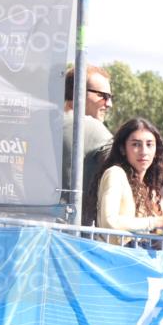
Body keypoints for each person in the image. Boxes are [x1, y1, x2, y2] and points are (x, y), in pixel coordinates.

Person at [83, 117, 163, 255]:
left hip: (133, 261)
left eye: (149, 144)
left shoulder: (147, 186)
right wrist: (157, 222)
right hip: (114, 262)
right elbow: (110, 222)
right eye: (136, 144)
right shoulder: (115, 174)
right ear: (122, 149)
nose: (144, 151)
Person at [63, 64, 113, 217]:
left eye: (110, 97)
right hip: (74, 233)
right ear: (78, 93)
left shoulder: (41, 123)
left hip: (31, 228)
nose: (109, 104)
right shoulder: (91, 127)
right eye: (102, 96)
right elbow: (132, 174)